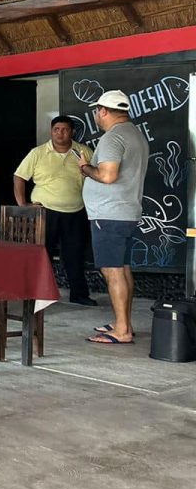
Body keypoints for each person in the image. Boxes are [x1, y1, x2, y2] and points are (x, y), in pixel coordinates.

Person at [77, 90, 148, 345]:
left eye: (97, 111)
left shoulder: (113, 137)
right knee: (123, 268)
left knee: (112, 271)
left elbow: (107, 175)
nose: (96, 115)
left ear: (103, 111)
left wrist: (85, 168)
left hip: (109, 214)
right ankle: (123, 323)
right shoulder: (135, 134)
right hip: (125, 212)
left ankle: (122, 331)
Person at [13, 116, 95, 306]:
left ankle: (79, 294)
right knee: (43, 255)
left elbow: (96, 176)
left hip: (76, 210)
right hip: (45, 211)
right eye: (56, 129)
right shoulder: (38, 152)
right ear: (51, 131)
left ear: (72, 132)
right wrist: (23, 204)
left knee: (75, 254)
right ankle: (39, 295)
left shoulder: (83, 152)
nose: (60, 133)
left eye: (65, 129)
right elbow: (19, 176)